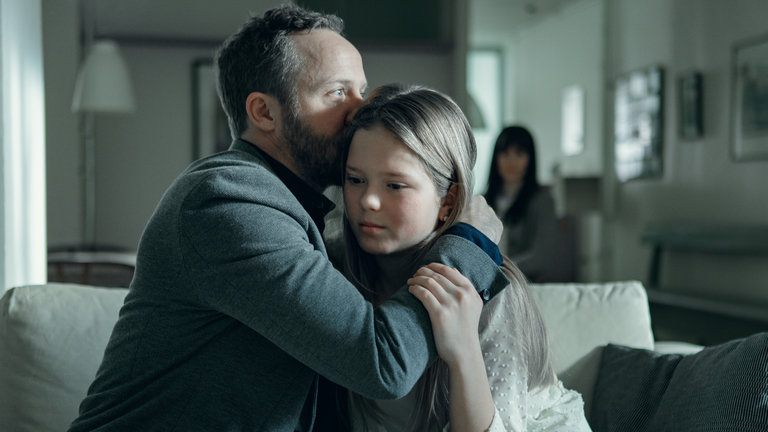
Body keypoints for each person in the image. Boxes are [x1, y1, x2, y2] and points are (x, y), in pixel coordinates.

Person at [67, 5, 509, 432]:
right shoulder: (227, 201)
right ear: (264, 112)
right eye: (337, 93)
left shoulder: (291, 210)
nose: (360, 110)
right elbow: (383, 364)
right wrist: (469, 243)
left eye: (360, 90)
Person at [332, 84, 591, 431]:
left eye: (394, 185)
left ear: (448, 202)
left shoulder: (493, 292)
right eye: (355, 179)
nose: (368, 201)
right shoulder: (334, 271)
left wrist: (462, 346)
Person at [484, 126, 557, 282]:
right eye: (505, 153)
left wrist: (498, 269)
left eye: (519, 154)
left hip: (522, 284)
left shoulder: (542, 201)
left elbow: (542, 258)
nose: (511, 161)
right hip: (481, 284)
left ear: (530, 159)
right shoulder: (481, 201)